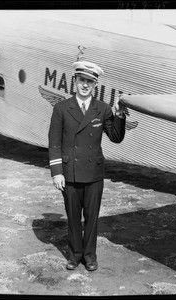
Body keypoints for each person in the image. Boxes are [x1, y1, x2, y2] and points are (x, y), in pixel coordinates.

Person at [48, 60, 126, 271]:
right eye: (82, 80)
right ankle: (74, 255)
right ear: (75, 81)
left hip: (93, 173)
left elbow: (116, 137)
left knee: (92, 217)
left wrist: (119, 114)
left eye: (89, 82)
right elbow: (54, 143)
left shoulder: (102, 108)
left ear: (95, 85)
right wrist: (57, 173)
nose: (85, 85)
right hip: (70, 173)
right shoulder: (61, 108)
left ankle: (90, 256)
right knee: (73, 217)